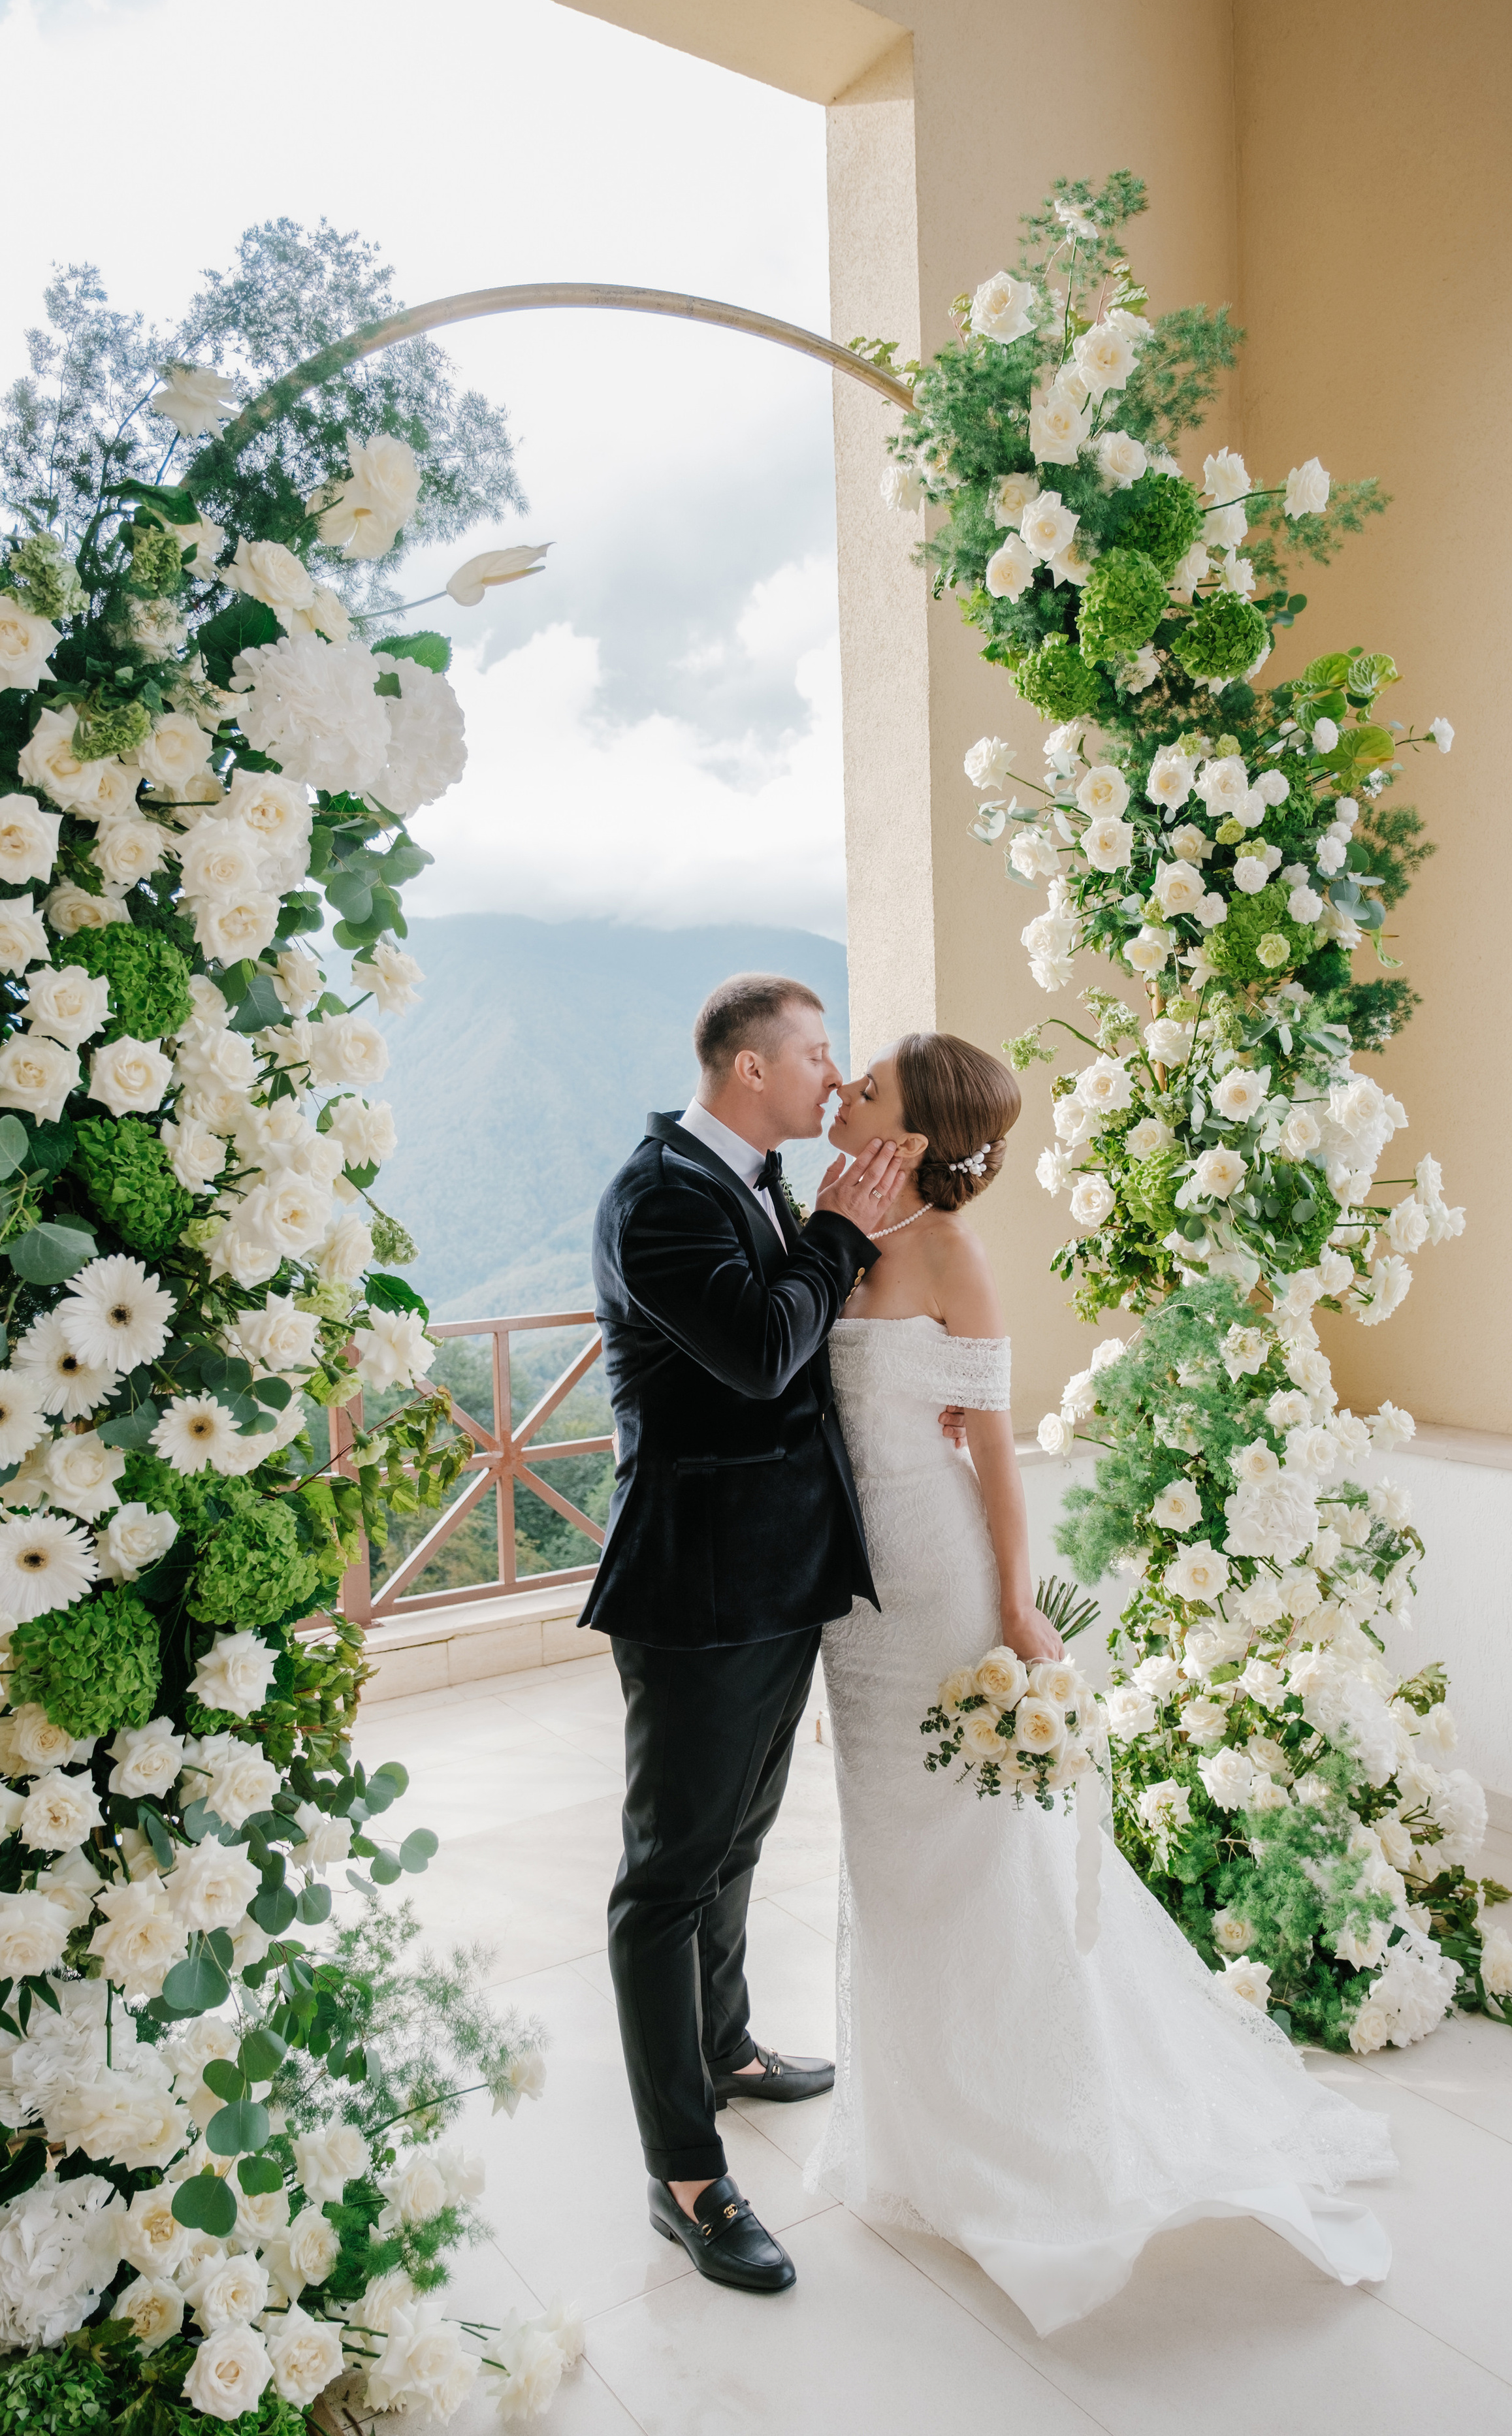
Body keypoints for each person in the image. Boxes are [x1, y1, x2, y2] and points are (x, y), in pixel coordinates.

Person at [809, 1029, 1395, 2337]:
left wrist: (1015, 1604)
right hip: (850, 1607)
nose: (841, 1091)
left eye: (866, 1089)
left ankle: (1028, 2121)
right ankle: (914, 2132)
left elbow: (997, 1453)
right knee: (886, 1852)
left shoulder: (952, 1256)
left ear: (910, 1131)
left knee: (975, 1854)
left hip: (941, 1580)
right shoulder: (826, 1225)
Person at [584, 972, 906, 2296]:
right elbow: (766, 1352)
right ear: (751, 1070)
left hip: (774, 1579)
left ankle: (724, 2048)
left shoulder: (748, 1174)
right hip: (697, 1591)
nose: (833, 1078)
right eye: (816, 1054)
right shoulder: (659, 1195)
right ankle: (685, 2173)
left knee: (734, 1843)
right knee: (667, 1877)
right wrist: (838, 1231)